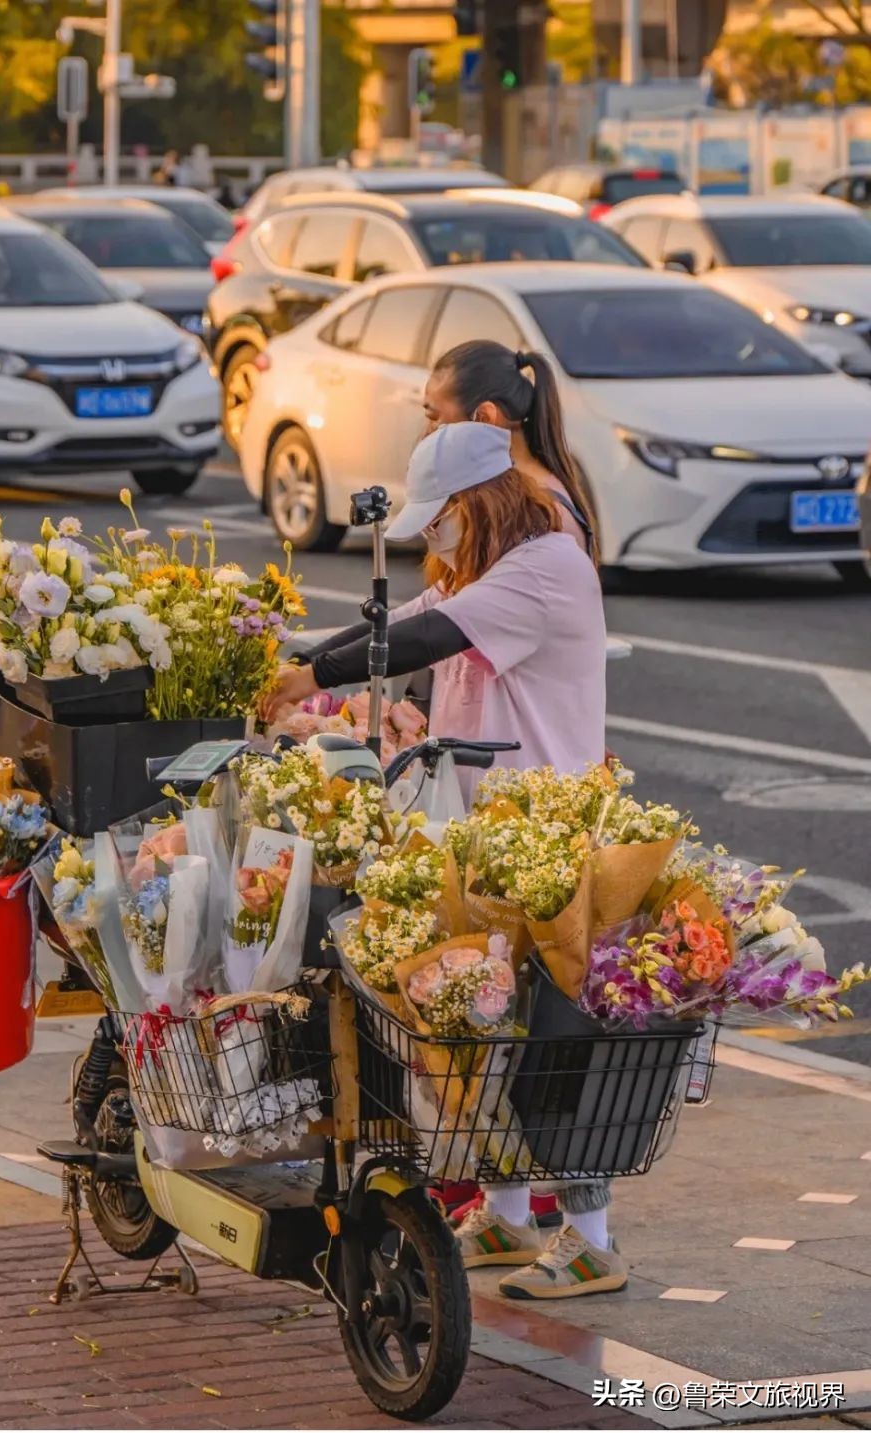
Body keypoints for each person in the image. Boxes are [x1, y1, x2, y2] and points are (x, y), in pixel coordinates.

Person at [260, 397, 624, 1300]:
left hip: (544, 830)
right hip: (484, 829)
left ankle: (592, 1240)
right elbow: (397, 624)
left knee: (550, 1039)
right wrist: (297, 658)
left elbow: (426, 636)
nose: (440, 537)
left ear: (484, 500)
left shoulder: (540, 569)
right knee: (478, 1027)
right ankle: (503, 1216)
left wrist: (309, 674)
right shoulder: (484, 570)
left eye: (448, 517)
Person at [423, 339, 596, 562]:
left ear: (484, 417)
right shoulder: (506, 493)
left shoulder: (537, 512)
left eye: (434, 418)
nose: (429, 434)